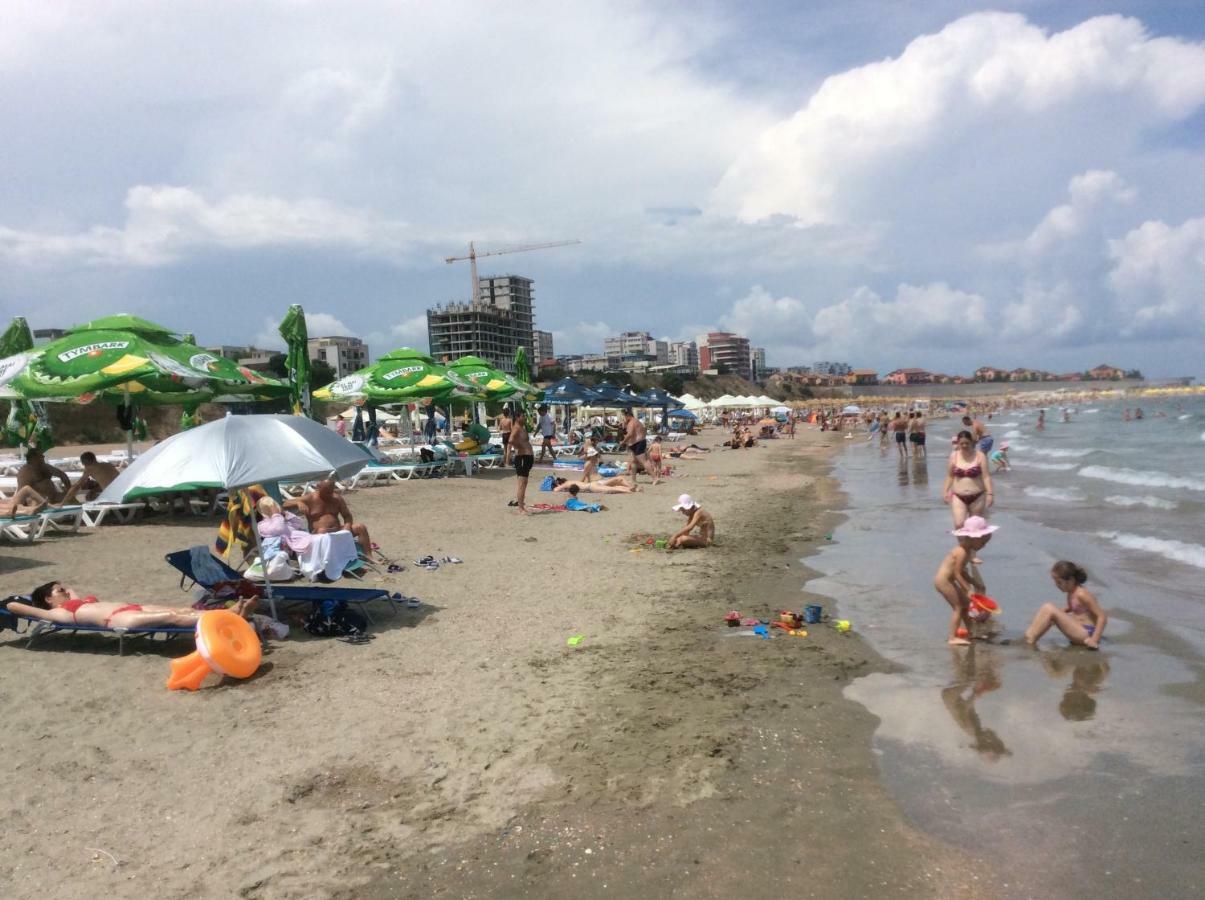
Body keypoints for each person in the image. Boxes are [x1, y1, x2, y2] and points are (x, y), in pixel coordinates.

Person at [4, 581, 255, 630]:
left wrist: (68, 591)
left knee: (181, 610)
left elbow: (75, 596)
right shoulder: (59, 612)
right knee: (173, 617)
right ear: (49, 599)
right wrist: (16, 601)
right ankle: (229, 616)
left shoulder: (75, 602)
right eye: (59, 590)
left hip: (131, 607)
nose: (65, 590)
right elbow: (16, 607)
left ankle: (226, 613)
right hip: (118, 620)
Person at [934, 516, 997, 646]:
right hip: (943, 581)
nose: (984, 546)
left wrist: (974, 582)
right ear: (975, 538)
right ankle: (952, 637)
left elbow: (962, 572)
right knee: (958, 607)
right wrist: (968, 589)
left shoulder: (967, 551)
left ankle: (970, 633)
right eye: (983, 542)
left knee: (966, 606)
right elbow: (957, 573)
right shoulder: (962, 552)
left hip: (948, 580)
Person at [284, 479, 378, 559]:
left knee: (360, 527)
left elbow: (347, 516)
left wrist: (347, 527)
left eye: (330, 491)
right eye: (326, 492)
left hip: (338, 531)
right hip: (319, 533)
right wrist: (299, 503)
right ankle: (330, 560)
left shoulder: (337, 498)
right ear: (318, 488)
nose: (329, 494)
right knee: (322, 531)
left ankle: (368, 556)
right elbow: (285, 503)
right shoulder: (310, 498)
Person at [1024, 560, 1107, 649]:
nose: (1056, 585)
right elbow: (1078, 607)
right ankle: (1029, 637)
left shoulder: (1082, 594)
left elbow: (1102, 616)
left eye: (1059, 582)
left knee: (1048, 608)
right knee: (1049, 611)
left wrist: (1094, 640)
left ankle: (1029, 639)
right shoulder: (1071, 592)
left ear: (1071, 580)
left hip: (1086, 633)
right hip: (1078, 629)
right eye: (1055, 582)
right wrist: (1063, 611)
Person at [942, 430, 994, 528]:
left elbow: (986, 477)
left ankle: (972, 544)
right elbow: (950, 476)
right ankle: (962, 544)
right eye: (962, 443)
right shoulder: (954, 456)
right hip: (958, 496)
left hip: (977, 496)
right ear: (958, 443)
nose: (964, 445)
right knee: (959, 524)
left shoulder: (980, 456)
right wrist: (945, 491)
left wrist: (990, 494)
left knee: (975, 528)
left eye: (967, 443)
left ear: (972, 442)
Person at [623, 408, 659, 484]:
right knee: (634, 462)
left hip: (638, 443)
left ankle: (655, 478)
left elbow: (630, 434)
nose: (624, 418)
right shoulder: (637, 422)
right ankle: (633, 479)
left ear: (628, 415)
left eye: (625, 416)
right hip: (637, 443)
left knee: (644, 462)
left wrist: (623, 442)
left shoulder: (632, 422)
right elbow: (644, 431)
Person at [509, 409, 534, 514]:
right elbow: (510, 440)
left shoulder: (522, 428)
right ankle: (520, 508)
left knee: (524, 483)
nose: (524, 418)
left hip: (526, 457)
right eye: (523, 416)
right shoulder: (516, 428)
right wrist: (518, 446)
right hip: (522, 457)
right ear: (517, 417)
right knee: (521, 483)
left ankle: (522, 505)